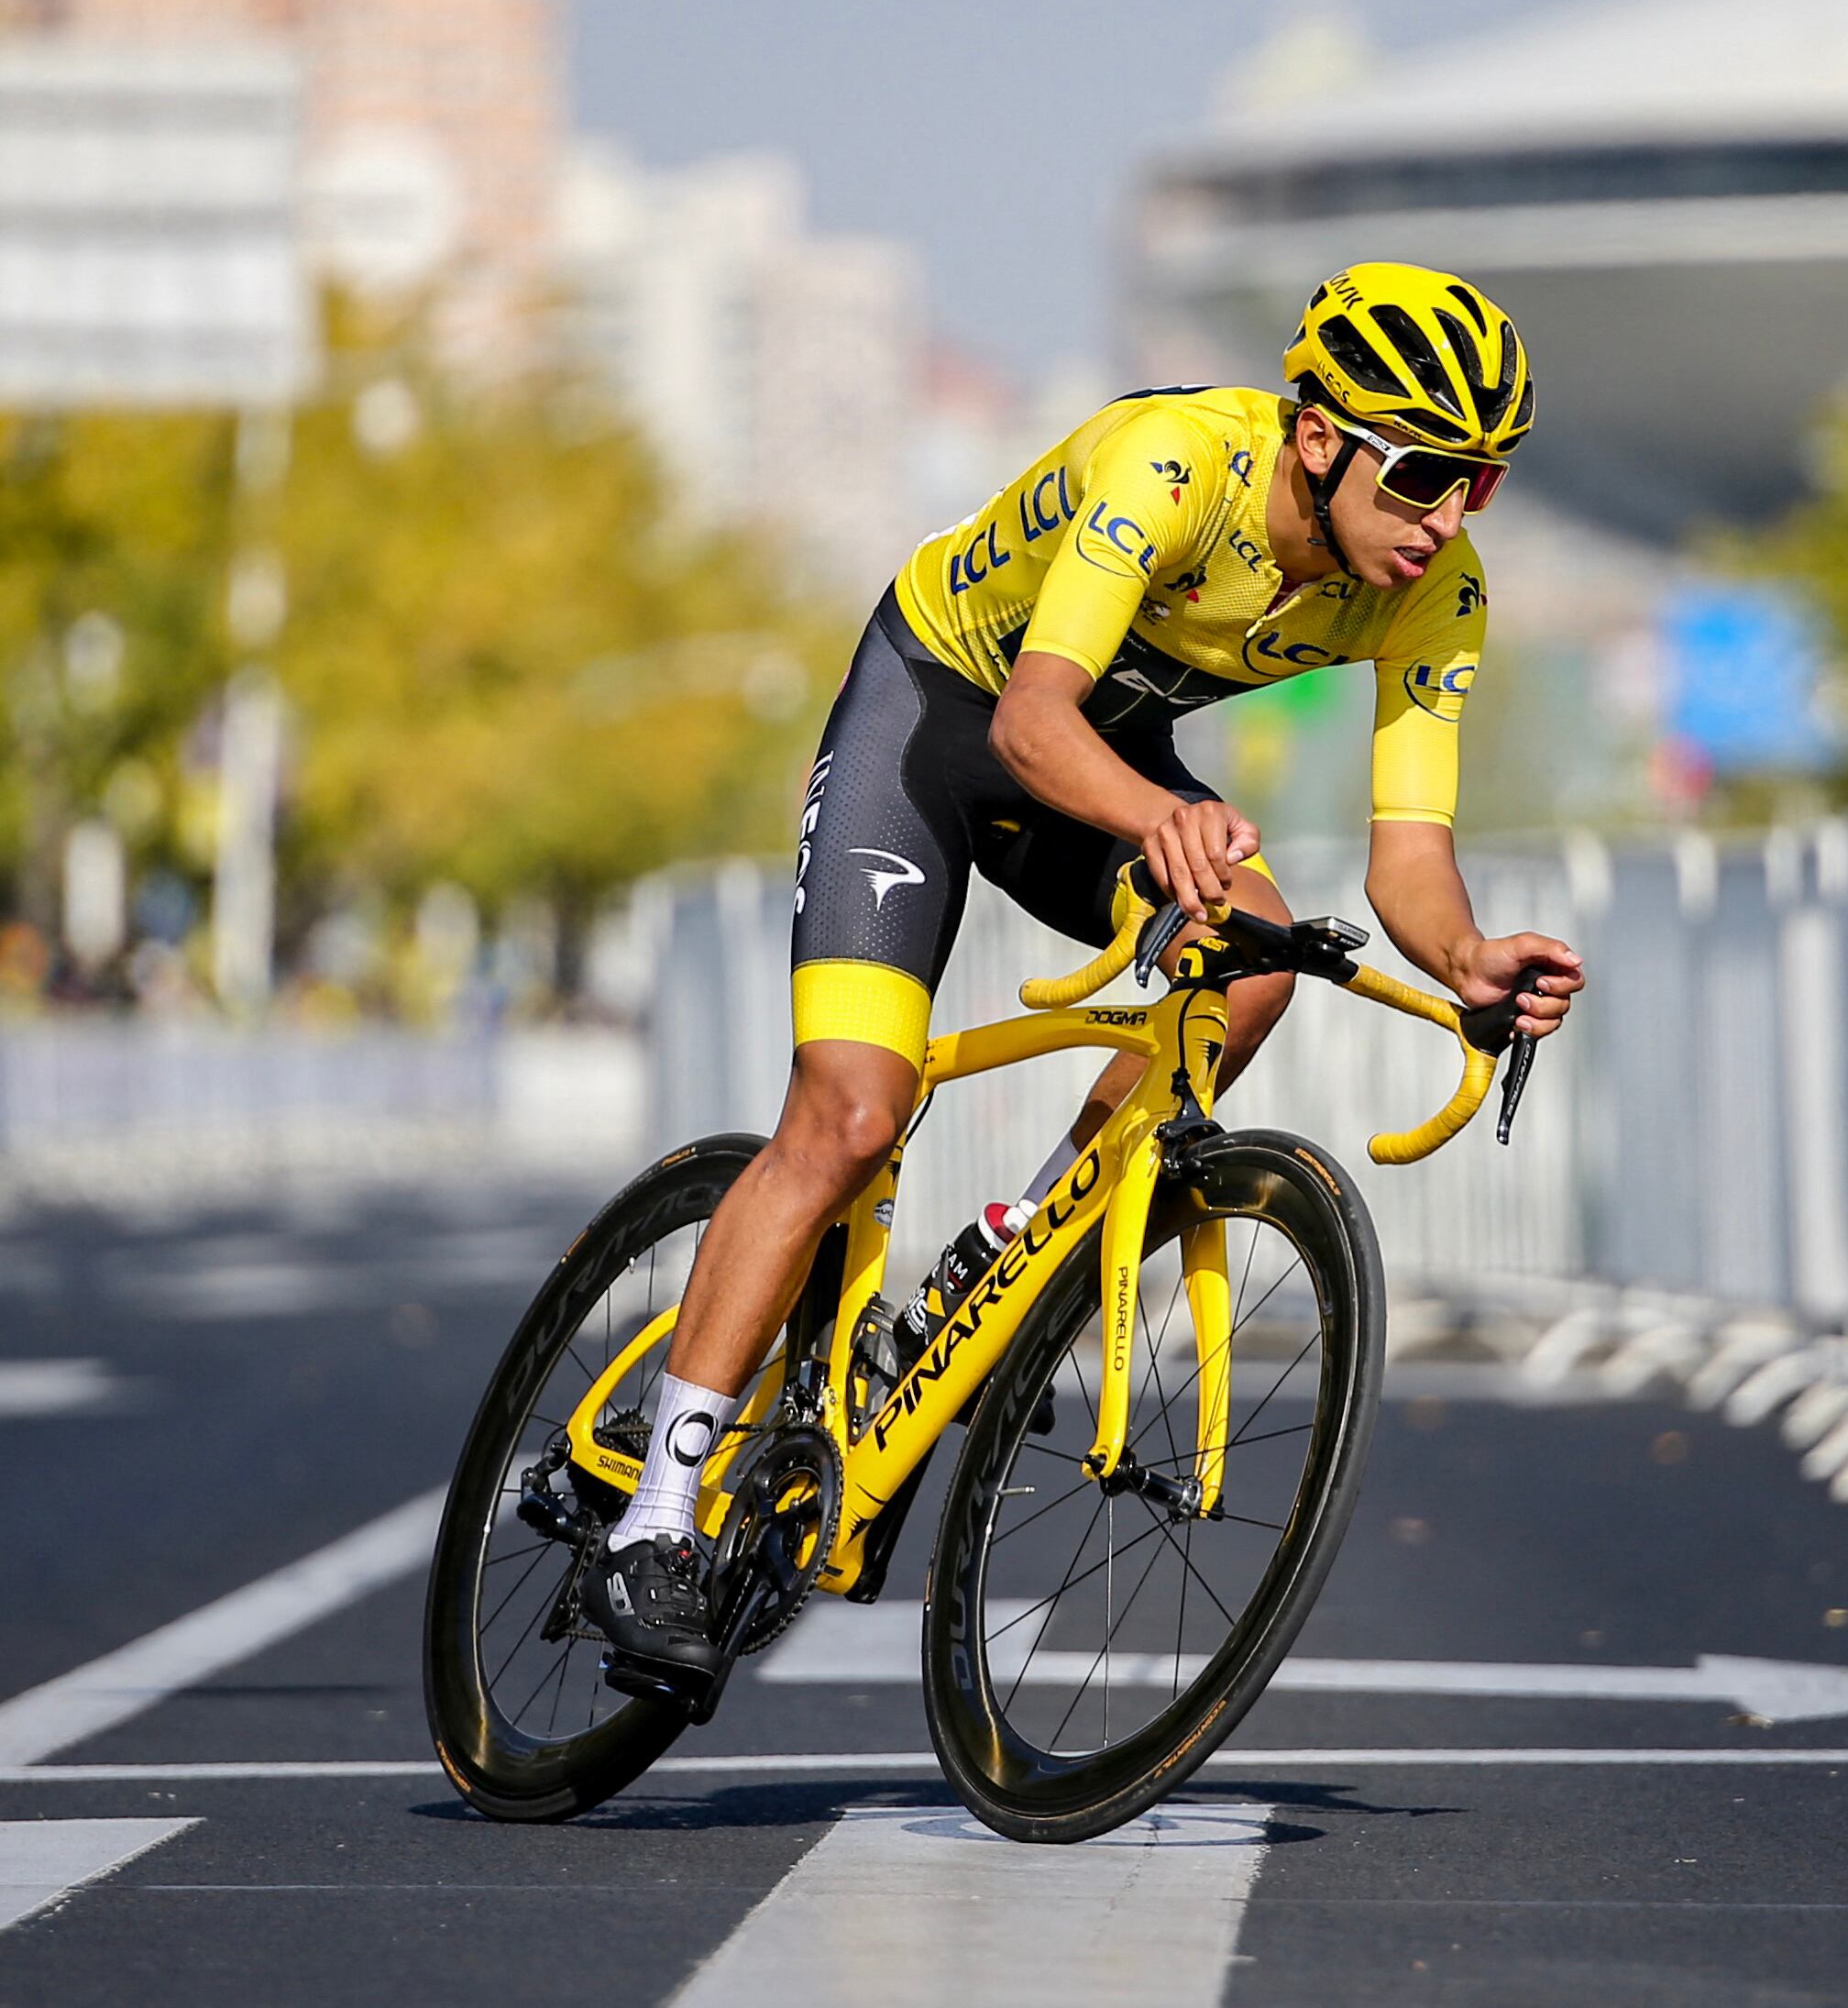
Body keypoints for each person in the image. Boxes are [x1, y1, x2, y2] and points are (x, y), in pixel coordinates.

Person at [582, 263, 1585, 1683]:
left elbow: (1407, 860)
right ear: (1317, 436)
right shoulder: (1174, 464)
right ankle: (655, 1520)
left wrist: (1470, 952)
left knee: (1253, 961)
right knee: (853, 1110)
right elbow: (1031, 723)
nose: (1446, 518)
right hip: (939, 723)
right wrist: (1163, 815)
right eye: (1423, 473)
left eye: (1478, 484)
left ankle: (1006, 1246)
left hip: (1093, 768)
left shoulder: (1437, 591)